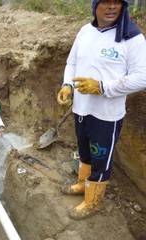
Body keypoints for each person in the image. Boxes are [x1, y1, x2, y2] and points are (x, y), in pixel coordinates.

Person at [57, 0, 146, 220]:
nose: (112, 7)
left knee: (101, 158)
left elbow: (142, 77)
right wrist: (67, 85)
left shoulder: (132, 38)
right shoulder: (85, 31)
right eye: (106, 2)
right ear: (95, 5)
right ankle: (82, 183)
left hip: (106, 116)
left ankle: (93, 201)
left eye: (117, 2)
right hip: (81, 109)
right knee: (85, 151)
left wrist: (102, 87)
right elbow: (72, 63)